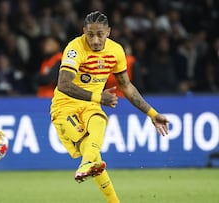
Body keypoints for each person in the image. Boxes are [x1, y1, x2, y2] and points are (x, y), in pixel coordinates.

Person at [50, 11, 169, 203]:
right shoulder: (74, 48)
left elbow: (127, 86)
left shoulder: (116, 51)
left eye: (100, 34)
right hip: (65, 107)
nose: (95, 40)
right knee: (92, 151)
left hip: (91, 106)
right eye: (90, 34)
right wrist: (98, 96)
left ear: (109, 31)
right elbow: (64, 84)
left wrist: (152, 113)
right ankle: (89, 165)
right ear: (83, 31)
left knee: (99, 120)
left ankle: (88, 166)